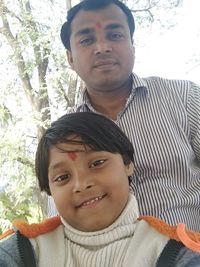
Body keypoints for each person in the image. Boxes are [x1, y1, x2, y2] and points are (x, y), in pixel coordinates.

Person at [54, 0, 200, 231]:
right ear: (70, 58)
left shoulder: (185, 98)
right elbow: (65, 218)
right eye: (86, 40)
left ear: (132, 44)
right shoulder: (62, 138)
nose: (102, 47)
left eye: (115, 35)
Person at [0, 112, 200, 267]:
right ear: (49, 190)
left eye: (97, 163)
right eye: (63, 177)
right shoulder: (24, 251)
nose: (81, 184)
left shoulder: (176, 251)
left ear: (128, 163)